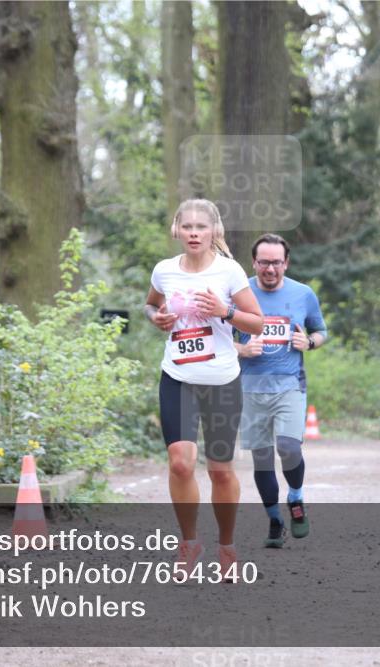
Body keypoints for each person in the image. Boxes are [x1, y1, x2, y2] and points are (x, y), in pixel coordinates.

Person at [145, 199, 263, 580]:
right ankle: (189, 542)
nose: (194, 233)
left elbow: (258, 323)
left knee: (220, 471)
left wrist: (224, 311)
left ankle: (226, 546)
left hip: (221, 382)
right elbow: (150, 305)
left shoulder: (229, 272)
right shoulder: (164, 271)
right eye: (187, 227)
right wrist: (157, 318)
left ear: (215, 231)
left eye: (201, 227)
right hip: (178, 377)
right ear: (176, 230)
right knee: (180, 463)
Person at [234, 234, 328, 548]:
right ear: (254, 263)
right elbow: (217, 339)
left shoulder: (303, 294)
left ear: (286, 263)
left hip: (290, 385)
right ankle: (275, 520)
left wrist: (309, 342)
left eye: (276, 262)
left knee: (288, 447)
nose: (270, 269)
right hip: (250, 389)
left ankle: (296, 498)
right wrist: (241, 349)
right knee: (262, 458)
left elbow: (321, 330)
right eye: (264, 262)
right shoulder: (239, 294)